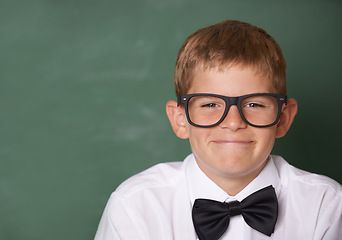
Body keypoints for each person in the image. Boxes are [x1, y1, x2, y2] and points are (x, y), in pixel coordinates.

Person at [94, 20, 342, 240]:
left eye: (254, 104)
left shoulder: (326, 205)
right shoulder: (135, 205)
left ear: (283, 118)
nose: (233, 122)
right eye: (210, 104)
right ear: (180, 119)